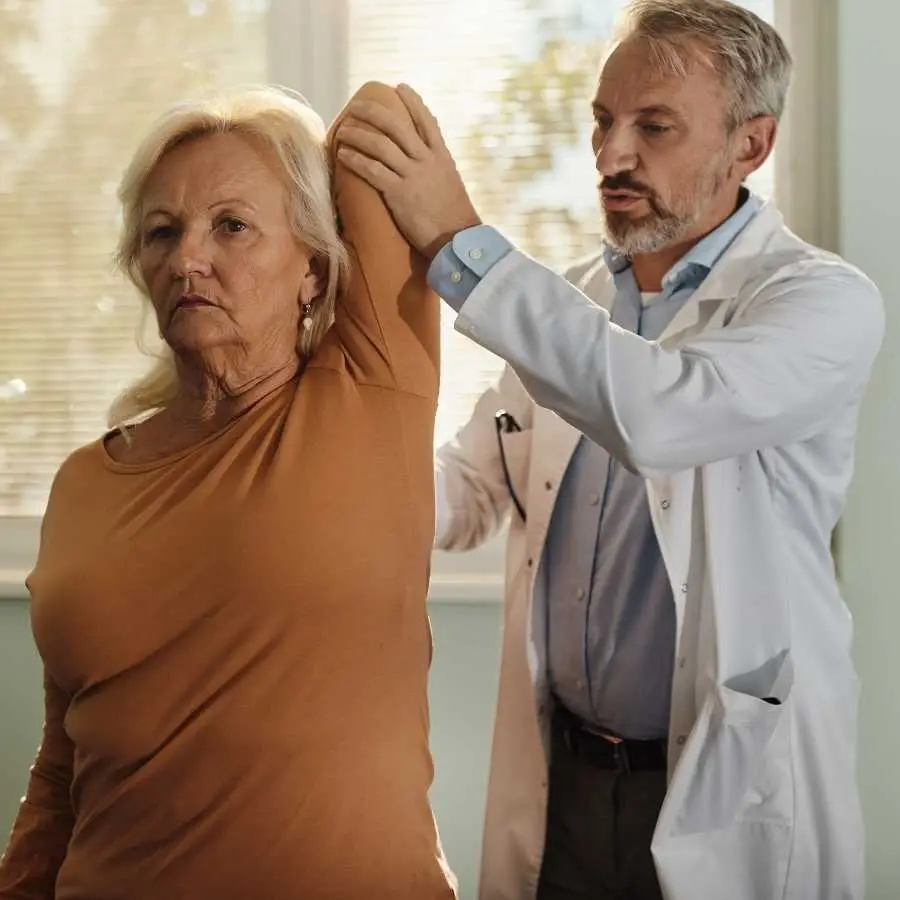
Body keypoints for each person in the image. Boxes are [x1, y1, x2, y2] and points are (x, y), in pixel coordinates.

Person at [333, 1, 885, 898]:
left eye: (653, 127)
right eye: (602, 120)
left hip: (718, 785)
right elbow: (471, 489)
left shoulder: (821, 304)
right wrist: (329, 478)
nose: (611, 155)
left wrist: (455, 241)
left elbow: (661, 414)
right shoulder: (573, 309)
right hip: (569, 778)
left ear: (751, 145)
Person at [0, 82, 457, 900]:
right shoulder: (82, 485)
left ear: (314, 270)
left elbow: (376, 116)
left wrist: (258, 130)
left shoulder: (372, 390)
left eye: (232, 226)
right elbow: (66, 758)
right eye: (161, 232)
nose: (187, 259)